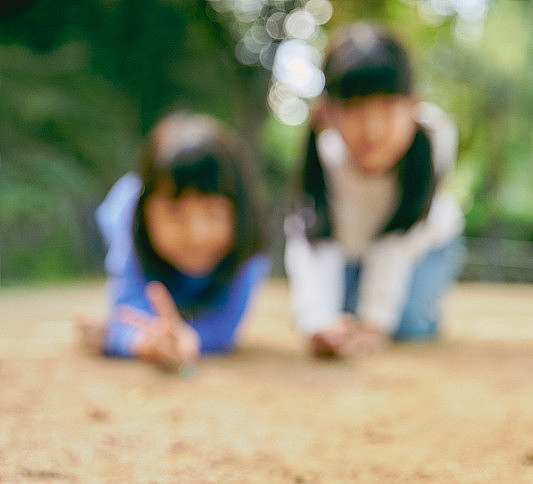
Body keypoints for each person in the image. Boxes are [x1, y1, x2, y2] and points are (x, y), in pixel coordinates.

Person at [284, 23, 464, 357]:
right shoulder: (326, 158)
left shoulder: (436, 138)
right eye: (354, 108)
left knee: (409, 325)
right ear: (327, 112)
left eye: (388, 106)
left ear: (413, 104)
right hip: (356, 250)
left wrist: (375, 322)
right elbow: (315, 241)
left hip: (426, 243)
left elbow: (402, 235)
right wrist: (318, 322)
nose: (373, 129)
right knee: (340, 316)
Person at [79, 112, 268, 367]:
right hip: (122, 210)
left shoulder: (249, 246)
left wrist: (188, 339)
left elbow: (225, 325)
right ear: (145, 215)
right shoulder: (130, 224)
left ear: (240, 213)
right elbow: (128, 308)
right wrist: (140, 341)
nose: (195, 234)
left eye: (213, 213)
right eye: (174, 213)